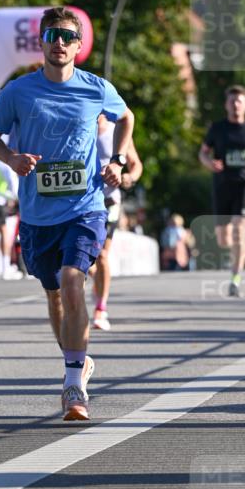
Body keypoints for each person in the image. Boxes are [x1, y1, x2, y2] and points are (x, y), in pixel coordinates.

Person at [0, 5, 134, 421]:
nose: (60, 43)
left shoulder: (96, 88)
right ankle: (76, 361)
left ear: (79, 45)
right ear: (42, 43)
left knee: (72, 280)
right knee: (54, 296)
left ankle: (72, 386)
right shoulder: (17, 92)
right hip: (36, 213)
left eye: (68, 37)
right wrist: (11, 159)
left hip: (85, 206)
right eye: (52, 36)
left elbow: (127, 117)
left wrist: (117, 160)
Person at [199, 86, 245, 297]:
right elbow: (203, 153)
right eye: (232, 101)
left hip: (244, 185)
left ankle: (235, 278)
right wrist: (210, 164)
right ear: (226, 105)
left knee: (239, 233)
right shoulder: (217, 128)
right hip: (222, 185)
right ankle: (235, 258)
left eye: (240, 101)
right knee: (224, 239)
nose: (236, 104)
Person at [91, 114, 142, 330]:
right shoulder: (78, 124)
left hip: (109, 200)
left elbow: (135, 164)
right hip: (80, 201)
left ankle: (101, 309)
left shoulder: (117, 129)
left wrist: (130, 176)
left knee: (102, 254)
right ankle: (94, 277)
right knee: (86, 259)